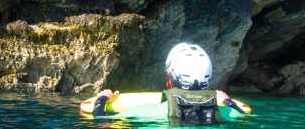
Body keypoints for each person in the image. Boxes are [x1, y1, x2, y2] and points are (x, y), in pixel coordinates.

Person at [92, 43, 246, 124]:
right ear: (208, 77)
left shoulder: (150, 112)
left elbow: (100, 118)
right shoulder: (229, 114)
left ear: (169, 78)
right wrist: (226, 100)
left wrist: (102, 99)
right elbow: (242, 112)